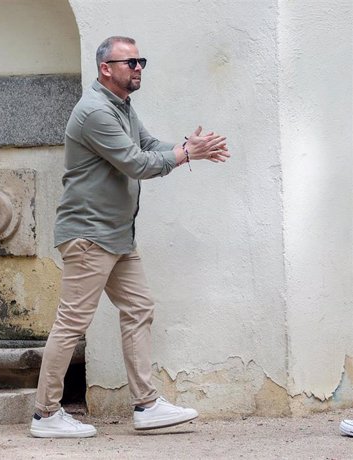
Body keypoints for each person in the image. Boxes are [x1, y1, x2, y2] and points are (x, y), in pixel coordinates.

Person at [29, 36, 230, 438]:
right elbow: (136, 163)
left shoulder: (121, 107)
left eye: (141, 60)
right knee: (72, 323)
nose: (138, 67)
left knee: (139, 308)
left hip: (116, 235)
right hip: (89, 234)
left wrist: (184, 147)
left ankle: (147, 405)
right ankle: (46, 414)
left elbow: (150, 145)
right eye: (130, 62)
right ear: (106, 68)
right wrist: (186, 155)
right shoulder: (94, 113)